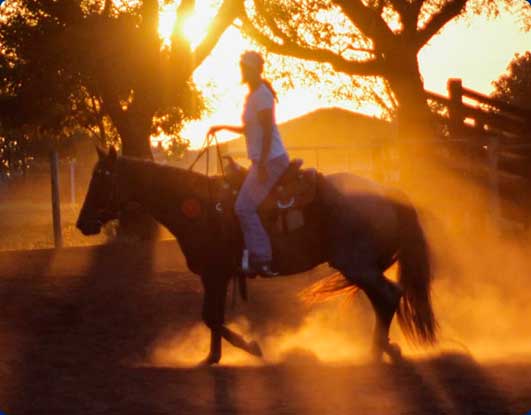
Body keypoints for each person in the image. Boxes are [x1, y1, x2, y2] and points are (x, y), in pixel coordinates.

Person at [207, 50, 289, 277]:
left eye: (244, 67)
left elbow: (265, 131)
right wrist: (222, 127)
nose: (241, 70)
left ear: (252, 70)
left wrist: (261, 165)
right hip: (265, 159)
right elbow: (248, 129)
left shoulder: (262, 95)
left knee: (243, 207)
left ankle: (262, 258)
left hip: (271, 160)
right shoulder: (253, 96)